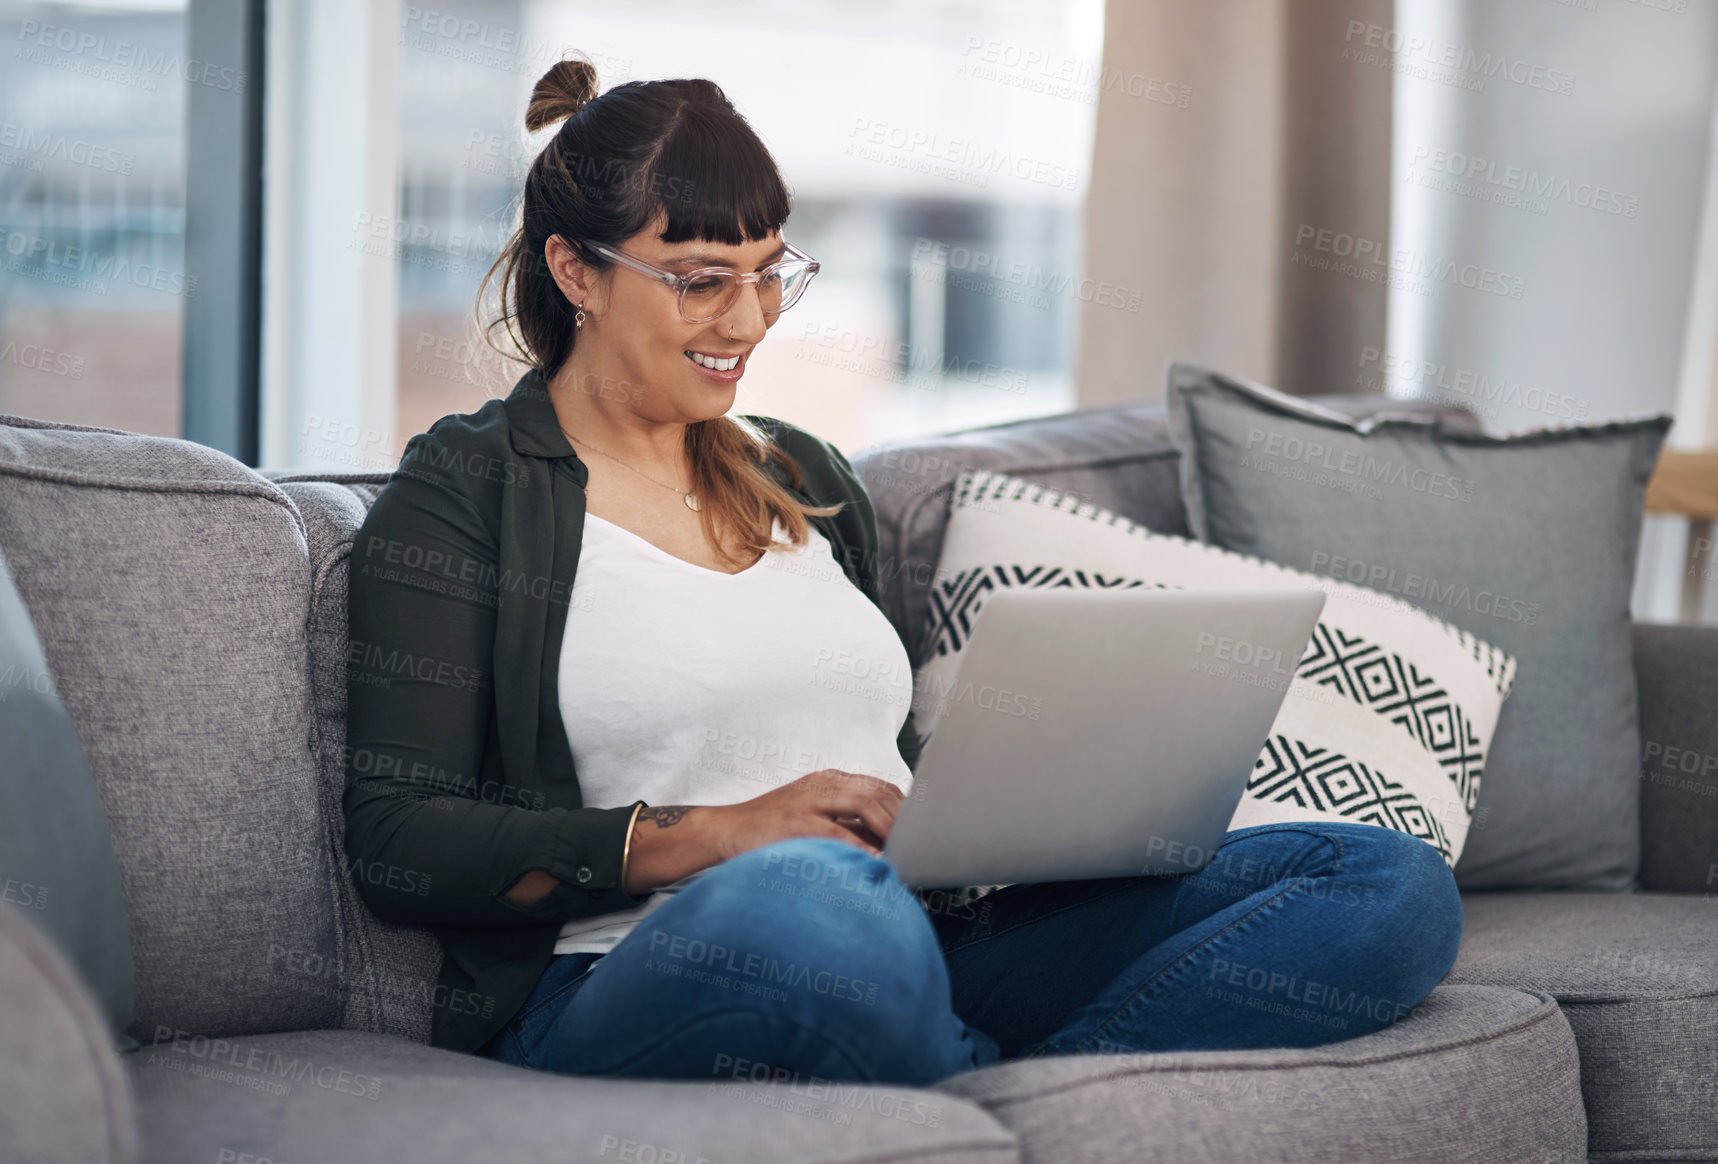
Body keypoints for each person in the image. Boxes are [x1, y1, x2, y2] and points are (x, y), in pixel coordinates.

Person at [342, 57, 1463, 1088]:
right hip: (636, 970)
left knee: (1383, 888)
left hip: (919, 932)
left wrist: (997, 817)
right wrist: (718, 832)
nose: (749, 319)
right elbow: (399, 845)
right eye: (699, 281)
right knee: (815, 900)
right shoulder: (466, 490)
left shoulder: (800, 473)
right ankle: (997, 1084)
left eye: (768, 271)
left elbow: (871, 757)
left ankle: (1015, 1095)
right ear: (574, 271)